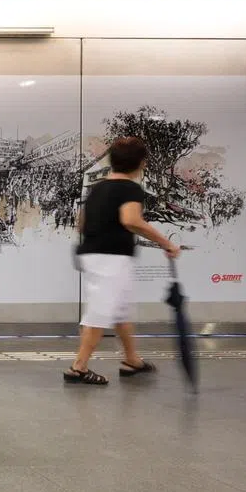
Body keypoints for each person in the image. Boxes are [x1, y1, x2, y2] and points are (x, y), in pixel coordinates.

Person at [66, 136, 180, 385]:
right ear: (140, 163)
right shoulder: (130, 189)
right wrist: (166, 243)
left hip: (98, 254)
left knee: (120, 310)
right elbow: (131, 220)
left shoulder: (99, 187)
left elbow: (81, 222)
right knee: (99, 312)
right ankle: (78, 367)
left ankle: (132, 360)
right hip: (111, 258)